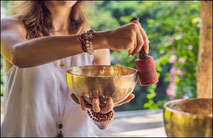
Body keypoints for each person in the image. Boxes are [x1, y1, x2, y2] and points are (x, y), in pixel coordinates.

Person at [1, 1, 149, 137]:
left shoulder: (99, 44)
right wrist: (102, 39)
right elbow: (18, 54)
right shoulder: (10, 25)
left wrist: (102, 112)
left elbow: (101, 124)